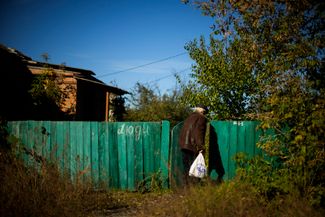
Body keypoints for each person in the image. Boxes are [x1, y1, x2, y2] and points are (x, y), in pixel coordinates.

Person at [179, 104, 208, 185]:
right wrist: (200, 147)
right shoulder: (201, 118)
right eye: (205, 112)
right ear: (202, 111)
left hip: (184, 146)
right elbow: (199, 133)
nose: (204, 114)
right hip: (192, 147)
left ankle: (186, 188)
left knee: (186, 169)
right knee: (194, 168)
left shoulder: (189, 118)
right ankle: (194, 189)